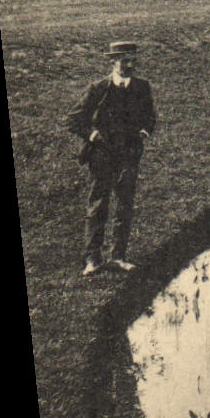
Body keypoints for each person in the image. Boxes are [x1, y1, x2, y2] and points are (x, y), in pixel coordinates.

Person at [66, 41, 158, 275]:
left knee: (124, 205)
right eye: (124, 60)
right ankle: (93, 259)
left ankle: (119, 256)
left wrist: (145, 130)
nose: (129, 65)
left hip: (128, 154)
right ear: (112, 62)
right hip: (102, 155)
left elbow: (150, 116)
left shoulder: (142, 87)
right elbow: (74, 119)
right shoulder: (98, 88)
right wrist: (92, 134)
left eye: (132, 61)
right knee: (98, 205)